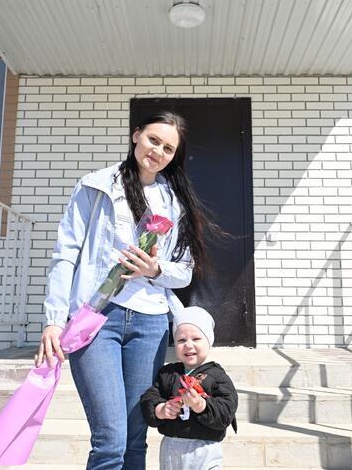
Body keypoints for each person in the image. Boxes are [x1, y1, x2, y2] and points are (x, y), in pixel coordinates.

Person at [36, 111, 220, 470]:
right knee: (111, 441)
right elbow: (66, 253)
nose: (158, 151)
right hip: (96, 319)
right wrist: (54, 320)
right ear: (136, 135)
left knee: (136, 440)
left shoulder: (174, 202)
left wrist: (155, 269)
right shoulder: (96, 186)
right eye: (153, 140)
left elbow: (184, 272)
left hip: (150, 323)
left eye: (168, 148)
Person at [140, 306, 238, 470]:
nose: (188, 345)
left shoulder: (217, 376)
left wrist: (201, 405)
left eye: (196, 339)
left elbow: (227, 411)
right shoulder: (167, 374)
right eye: (181, 340)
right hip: (171, 449)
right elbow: (149, 397)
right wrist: (160, 409)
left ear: (209, 341)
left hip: (204, 449)